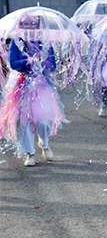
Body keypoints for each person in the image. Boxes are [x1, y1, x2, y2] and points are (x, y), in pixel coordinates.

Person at [1, 39, 66, 167]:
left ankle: (44, 143)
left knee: (43, 121)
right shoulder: (17, 42)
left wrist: (42, 61)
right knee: (25, 121)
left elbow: (52, 65)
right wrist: (28, 62)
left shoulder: (46, 42)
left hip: (42, 86)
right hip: (23, 86)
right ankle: (29, 153)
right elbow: (14, 63)